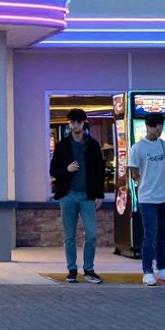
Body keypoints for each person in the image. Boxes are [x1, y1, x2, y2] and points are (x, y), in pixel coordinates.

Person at [50, 108, 105, 284]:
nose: (74, 125)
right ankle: (72, 269)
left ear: (83, 123)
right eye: (72, 122)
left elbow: (100, 171)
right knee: (69, 235)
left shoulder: (92, 145)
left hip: (88, 195)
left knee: (91, 234)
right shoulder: (63, 145)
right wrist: (67, 169)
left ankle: (88, 269)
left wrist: (99, 194)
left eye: (77, 122)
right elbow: (53, 170)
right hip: (68, 195)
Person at [128, 113, 165, 287]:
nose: (159, 130)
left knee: (163, 236)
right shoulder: (138, 148)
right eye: (156, 126)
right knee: (150, 235)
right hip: (147, 198)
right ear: (148, 127)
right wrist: (140, 178)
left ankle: (162, 268)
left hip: (164, 197)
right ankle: (147, 271)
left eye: (161, 127)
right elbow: (133, 171)